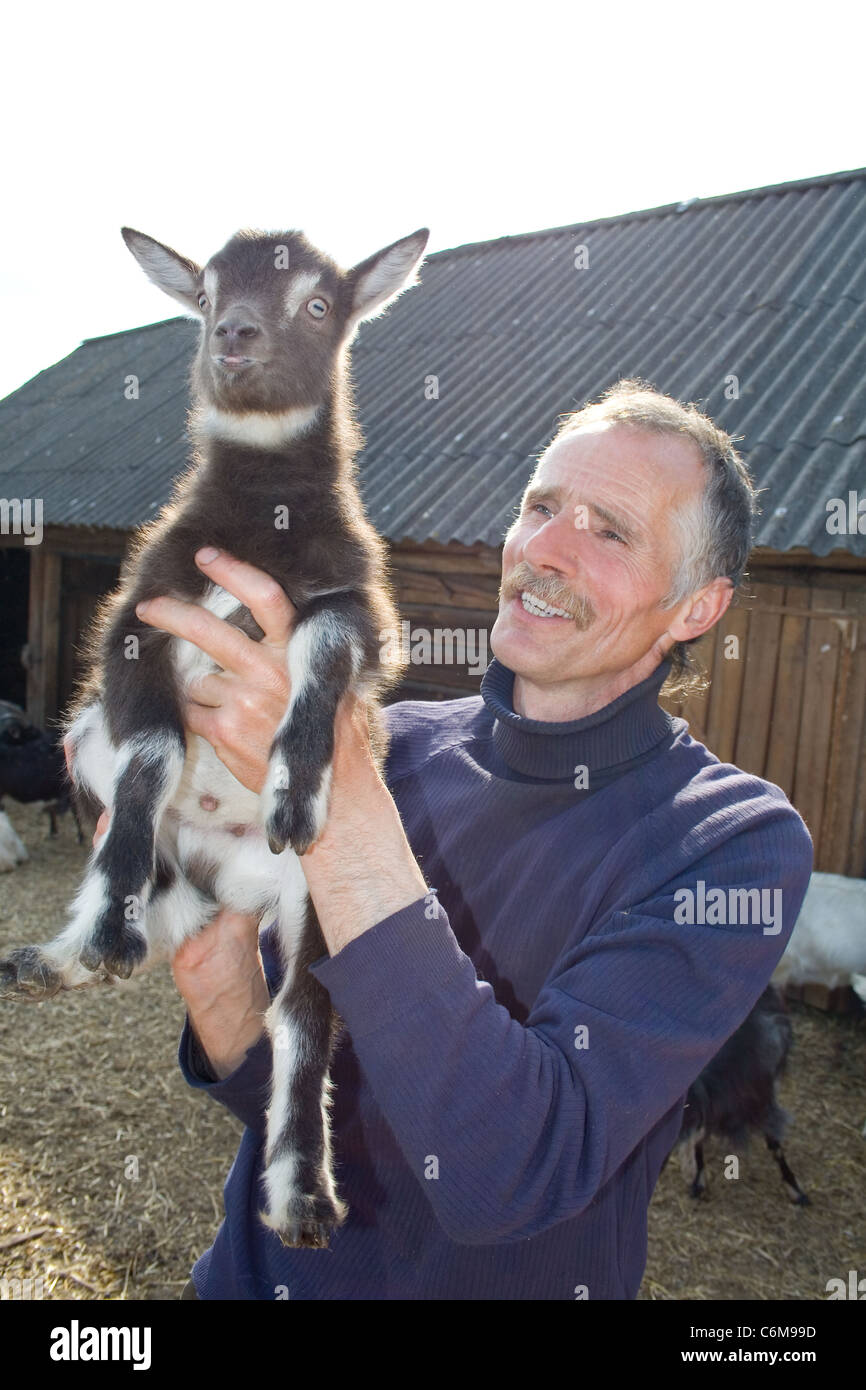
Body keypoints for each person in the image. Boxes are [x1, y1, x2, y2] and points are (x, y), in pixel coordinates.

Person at [97, 379, 813, 1300]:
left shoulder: (729, 843)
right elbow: (310, 1109)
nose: (544, 549)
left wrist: (338, 792)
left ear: (695, 609)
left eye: (610, 531)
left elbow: (510, 1174)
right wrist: (221, 978)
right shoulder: (396, 750)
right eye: (541, 506)